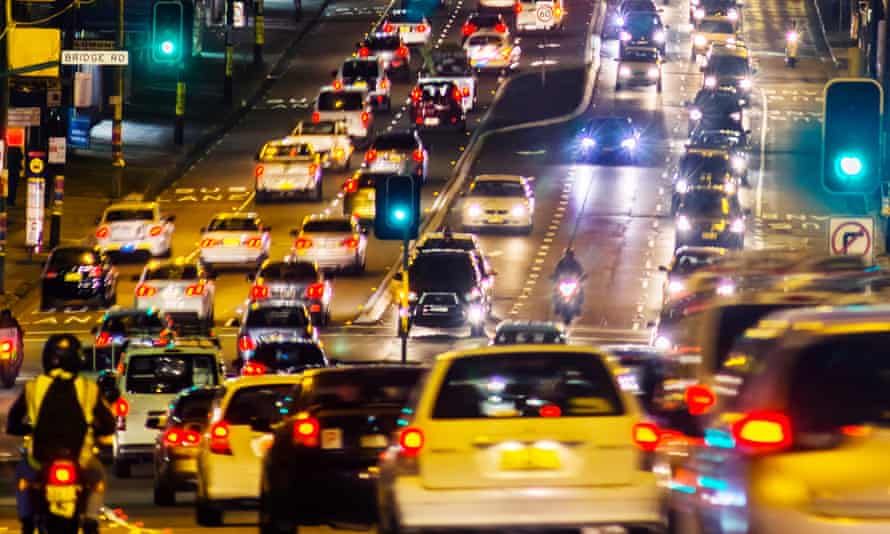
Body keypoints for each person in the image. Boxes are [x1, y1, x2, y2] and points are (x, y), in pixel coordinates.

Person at [6, 334, 116, 534]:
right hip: (80, 457)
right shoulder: (88, 388)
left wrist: (23, 429)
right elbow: (108, 422)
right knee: (98, 479)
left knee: (23, 478)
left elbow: (14, 420)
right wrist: (99, 432)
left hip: (39, 458)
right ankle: (91, 520)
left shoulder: (34, 386)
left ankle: (27, 519)